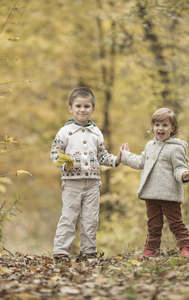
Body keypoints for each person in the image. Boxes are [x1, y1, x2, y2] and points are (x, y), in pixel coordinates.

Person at [50, 87, 122, 263]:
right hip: (71, 182)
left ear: (93, 109)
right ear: (71, 108)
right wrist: (63, 163)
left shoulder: (96, 132)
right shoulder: (64, 132)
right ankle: (61, 251)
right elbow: (55, 154)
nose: (82, 110)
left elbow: (102, 155)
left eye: (87, 106)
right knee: (69, 216)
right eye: (78, 106)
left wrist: (117, 159)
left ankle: (88, 252)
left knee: (91, 218)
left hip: (93, 182)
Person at [120, 107, 189, 259]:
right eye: (157, 125)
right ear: (152, 127)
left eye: (165, 125)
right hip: (151, 194)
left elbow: (179, 167)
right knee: (153, 225)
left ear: (172, 128)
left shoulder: (176, 149)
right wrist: (125, 156)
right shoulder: (149, 146)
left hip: (169, 194)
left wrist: (184, 175)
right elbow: (140, 162)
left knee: (176, 224)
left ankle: (185, 248)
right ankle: (151, 250)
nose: (160, 128)